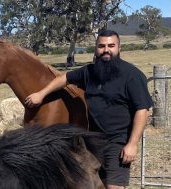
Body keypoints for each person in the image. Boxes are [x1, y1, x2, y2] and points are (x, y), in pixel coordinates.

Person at [25, 30, 153, 189]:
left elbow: (143, 110)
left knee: (114, 187)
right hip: (93, 140)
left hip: (118, 141)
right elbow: (64, 78)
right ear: (96, 49)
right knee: (98, 184)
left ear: (119, 48)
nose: (106, 50)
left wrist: (132, 144)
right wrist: (41, 94)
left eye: (111, 46)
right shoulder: (90, 72)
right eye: (101, 46)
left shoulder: (132, 75)